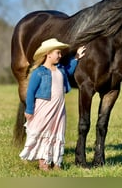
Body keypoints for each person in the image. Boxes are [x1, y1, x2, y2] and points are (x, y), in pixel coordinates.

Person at [19, 38, 86, 171]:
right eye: (58, 53)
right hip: (44, 108)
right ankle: (43, 162)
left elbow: (69, 71)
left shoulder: (60, 70)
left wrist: (77, 57)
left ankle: (56, 162)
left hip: (59, 108)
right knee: (44, 133)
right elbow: (31, 92)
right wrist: (30, 109)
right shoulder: (39, 72)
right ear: (48, 54)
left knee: (57, 133)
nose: (60, 56)